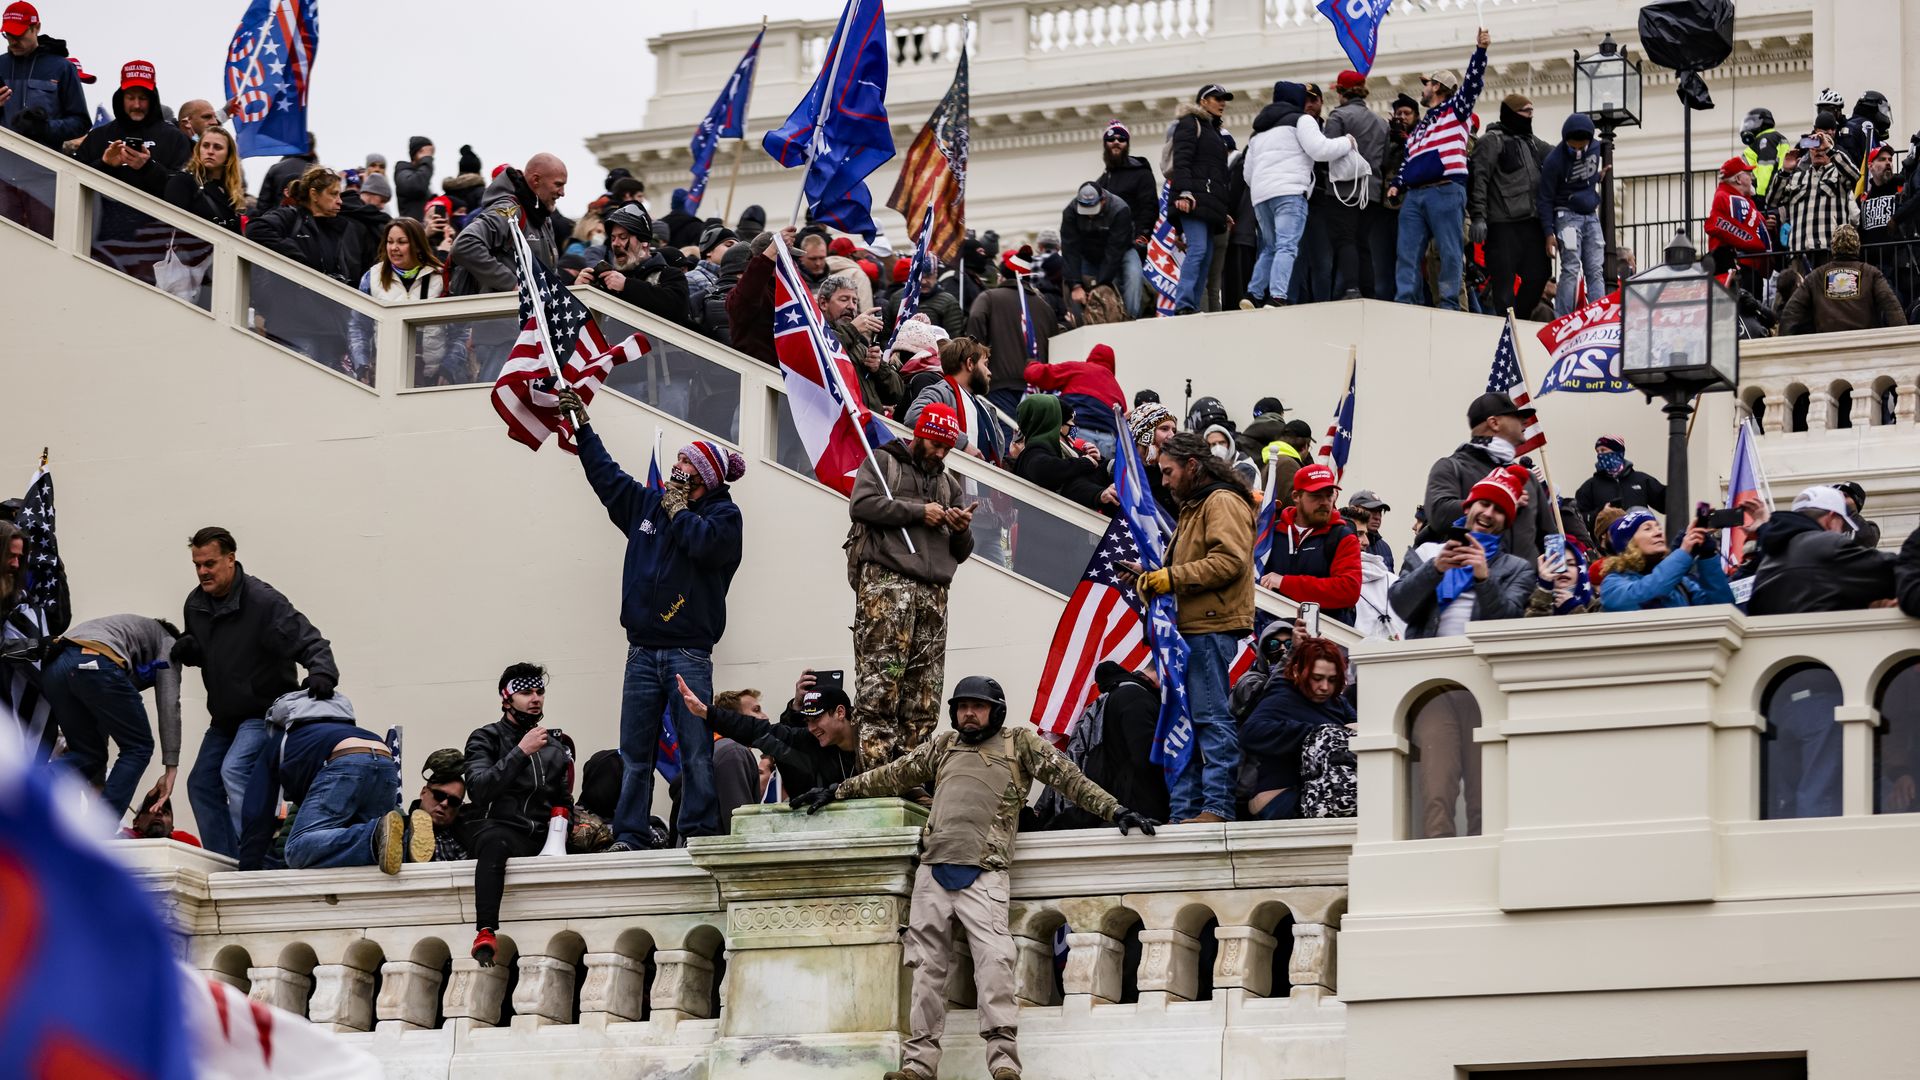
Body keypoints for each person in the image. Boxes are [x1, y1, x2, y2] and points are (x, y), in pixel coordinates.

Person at [792, 676, 1157, 1080]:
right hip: (932, 873)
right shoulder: (944, 745)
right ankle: (918, 1065)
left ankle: (1003, 1064)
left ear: (995, 710)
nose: (969, 713)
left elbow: (1070, 779)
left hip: (985, 874)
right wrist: (837, 791)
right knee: (926, 972)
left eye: (978, 706)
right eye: (963, 706)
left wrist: (1115, 810)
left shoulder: (1020, 743)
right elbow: (891, 775)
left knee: (995, 968)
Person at [560, 391, 745, 851]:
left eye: (686, 464)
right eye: (677, 461)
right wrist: (583, 429)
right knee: (635, 754)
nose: (677, 470)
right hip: (641, 649)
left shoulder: (725, 516)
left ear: (705, 477)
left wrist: (679, 509)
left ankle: (699, 833)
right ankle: (631, 835)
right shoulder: (646, 505)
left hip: (689, 651)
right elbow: (607, 477)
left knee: (696, 750)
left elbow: (703, 546)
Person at [174, 526, 338, 860]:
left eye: (210, 563)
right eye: (197, 565)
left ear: (231, 559)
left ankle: (257, 856)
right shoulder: (196, 604)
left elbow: (309, 640)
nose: (203, 572)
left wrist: (322, 672)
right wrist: (192, 649)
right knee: (201, 784)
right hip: (224, 717)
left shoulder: (264, 602)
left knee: (234, 769)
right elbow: (204, 643)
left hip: (263, 710)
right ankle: (227, 860)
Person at [1132, 432, 1253, 824]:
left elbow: (1230, 561)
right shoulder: (1197, 506)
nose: (1164, 481)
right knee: (1184, 724)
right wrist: (1151, 578)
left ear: (1193, 466)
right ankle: (1184, 811)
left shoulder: (1222, 502)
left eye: (1168, 472)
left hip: (1208, 630)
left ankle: (1216, 808)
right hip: (1190, 633)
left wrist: (1171, 578)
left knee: (1210, 719)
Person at [847, 404, 976, 769]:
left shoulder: (949, 484)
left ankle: (909, 774)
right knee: (880, 683)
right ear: (919, 434)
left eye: (947, 448)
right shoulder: (884, 464)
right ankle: (875, 772)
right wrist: (920, 511)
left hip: (934, 594)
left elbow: (962, 552)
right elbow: (862, 505)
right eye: (936, 444)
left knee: (924, 693)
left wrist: (961, 527)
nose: (941, 454)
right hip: (888, 586)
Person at [461, 663, 576, 965]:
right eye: (526, 692)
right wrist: (520, 752)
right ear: (506, 698)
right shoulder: (486, 737)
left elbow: (563, 800)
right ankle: (485, 931)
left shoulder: (555, 748)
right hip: (500, 829)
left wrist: (564, 830)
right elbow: (479, 789)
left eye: (540, 692)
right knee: (494, 841)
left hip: (540, 837)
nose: (535, 698)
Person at [40, 614, 182, 820]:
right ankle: (101, 829)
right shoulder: (169, 641)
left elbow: (104, 710)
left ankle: (21, 791)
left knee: (89, 754)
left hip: (55, 669)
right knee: (138, 747)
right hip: (95, 662)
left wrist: (98, 786)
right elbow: (169, 701)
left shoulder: (123, 629)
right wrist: (171, 766)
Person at [1386, 28, 1490, 310]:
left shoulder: (1456, 111)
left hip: (1446, 190)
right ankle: (1405, 303)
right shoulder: (1420, 127)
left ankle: (1449, 305)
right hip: (1416, 195)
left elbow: (1472, 84)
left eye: (1427, 83)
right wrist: (1398, 183)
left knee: (1449, 251)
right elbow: (1409, 158)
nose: (1423, 87)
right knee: (1407, 253)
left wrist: (1480, 52)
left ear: (1438, 88)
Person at [1241, 81, 1355, 309]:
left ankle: (1253, 295)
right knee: (1286, 246)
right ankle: (1277, 296)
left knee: (1270, 248)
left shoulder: (1259, 131)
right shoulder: (1302, 120)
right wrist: (1347, 142)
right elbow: (1320, 150)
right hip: (1290, 192)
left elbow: (1247, 174)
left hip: (1261, 196)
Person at [679, 670, 859, 813]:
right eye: (807, 721)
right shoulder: (808, 740)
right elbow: (756, 729)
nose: (811, 728)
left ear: (840, 713)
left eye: (817, 719)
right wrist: (706, 712)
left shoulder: (880, 736)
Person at [1391, 465, 1536, 638]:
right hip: (1426, 659)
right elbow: (1400, 606)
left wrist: (1484, 580)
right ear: (1468, 508)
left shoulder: (1518, 569)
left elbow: (1509, 625)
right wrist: (1434, 569)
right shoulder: (1429, 551)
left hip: (1481, 662)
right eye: (1484, 503)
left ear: (1505, 522)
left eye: (1498, 510)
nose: (1488, 513)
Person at [1424, 392, 1553, 562]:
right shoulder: (1451, 467)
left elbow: (1549, 538)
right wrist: (1499, 500)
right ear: (1494, 422)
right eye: (1516, 417)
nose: (1525, 422)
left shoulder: (1527, 478)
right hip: (1473, 582)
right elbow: (1439, 515)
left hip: (1525, 585)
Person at [1039, 661, 1168, 829]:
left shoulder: (1117, 694)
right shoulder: (1136, 697)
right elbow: (1148, 759)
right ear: (1165, 671)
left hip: (1114, 816)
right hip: (1135, 821)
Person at [1241, 635, 1356, 819]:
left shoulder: (1339, 703)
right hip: (1281, 801)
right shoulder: (1282, 695)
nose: (1324, 687)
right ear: (1297, 671)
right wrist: (1317, 734)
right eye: (1317, 678)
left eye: (1332, 680)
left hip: (1321, 798)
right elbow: (1250, 732)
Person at [1746, 485, 1896, 615]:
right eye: (1843, 526)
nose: (1842, 533)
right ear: (1831, 518)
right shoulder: (1826, 545)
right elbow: (1891, 570)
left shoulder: (1767, 559)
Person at [1471, 94, 1551, 318]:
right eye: (1526, 112)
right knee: (1503, 284)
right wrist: (1478, 216)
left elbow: (1557, 155)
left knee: (1541, 272)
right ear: (1512, 113)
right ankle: (1506, 326)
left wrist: (1583, 148)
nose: (1530, 117)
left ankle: (1519, 318)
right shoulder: (1491, 140)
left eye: (1531, 112)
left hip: (1531, 223)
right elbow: (1479, 179)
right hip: (1502, 225)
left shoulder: (1532, 142)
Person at [448, 152, 568, 295]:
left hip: (529, 313)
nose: (562, 193)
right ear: (536, 180)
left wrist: (575, 286)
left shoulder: (543, 219)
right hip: (500, 313)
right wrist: (512, 284)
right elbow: (464, 245)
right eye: (558, 184)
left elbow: (547, 279)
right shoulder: (509, 211)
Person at [1258, 463, 1362, 626]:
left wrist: (1285, 583)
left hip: (1325, 640)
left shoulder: (1342, 536)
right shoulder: (1272, 532)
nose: (1325, 502)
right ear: (1296, 496)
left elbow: (1348, 590)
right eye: (1316, 495)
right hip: (1273, 638)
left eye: (1329, 496)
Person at [352, 218, 451, 384]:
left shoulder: (440, 278)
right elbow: (358, 327)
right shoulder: (372, 277)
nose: (394, 248)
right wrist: (361, 365)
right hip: (386, 377)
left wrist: (450, 368)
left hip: (432, 378)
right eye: (389, 242)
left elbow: (459, 331)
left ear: (418, 245)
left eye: (402, 242)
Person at [75, 61, 192, 199]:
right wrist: (105, 164)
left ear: (152, 99)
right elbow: (73, 180)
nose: (136, 105)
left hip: (159, 218)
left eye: (142, 98)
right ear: (121, 98)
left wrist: (148, 167)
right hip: (101, 218)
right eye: (130, 98)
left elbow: (185, 189)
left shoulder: (174, 138)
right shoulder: (99, 135)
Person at [1167, 85, 1235, 315]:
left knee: (1205, 255)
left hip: (1208, 202)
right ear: (1203, 102)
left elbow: (1217, 176)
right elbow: (1182, 161)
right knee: (1197, 249)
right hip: (1192, 199)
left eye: (1224, 99)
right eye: (1217, 98)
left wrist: (1221, 208)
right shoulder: (1190, 123)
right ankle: (1184, 304)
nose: (1222, 103)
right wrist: (1184, 192)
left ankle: (1192, 305)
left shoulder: (1213, 131)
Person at [1321, 70, 1389, 300]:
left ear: (1342, 92)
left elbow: (1327, 152)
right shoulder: (1381, 123)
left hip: (1344, 192)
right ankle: (1368, 292)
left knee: (1345, 239)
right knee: (1363, 242)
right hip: (1372, 193)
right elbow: (1385, 159)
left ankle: (1351, 288)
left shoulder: (1338, 117)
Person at [967, 246, 1056, 415]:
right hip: (1037, 389)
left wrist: (976, 365)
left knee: (1006, 438)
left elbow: (975, 326)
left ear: (1003, 276)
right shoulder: (1046, 308)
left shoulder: (988, 298)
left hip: (999, 385)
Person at [577, 203, 693, 326]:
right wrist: (581, 289)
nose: (615, 244)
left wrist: (626, 285)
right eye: (613, 238)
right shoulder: (608, 281)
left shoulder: (670, 275)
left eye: (623, 237)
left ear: (644, 243)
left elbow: (676, 307)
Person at [1598, 509, 1736, 612]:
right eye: (1647, 528)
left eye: (1658, 527)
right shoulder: (1612, 584)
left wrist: (1708, 557)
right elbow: (1644, 594)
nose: (1659, 532)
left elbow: (1722, 608)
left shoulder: (1682, 584)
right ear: (1628, 543)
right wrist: (1683, 552)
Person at [1536, 113, 1606, 315]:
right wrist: (1549, 233)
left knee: (1595, 269)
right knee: (1571, 267)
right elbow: (1545, 198)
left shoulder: (1596, 147)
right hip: (1566, 216)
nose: (1577, 151)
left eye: (1581, 147)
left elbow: (1588, 175)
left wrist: (1599, 177)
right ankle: (1563, 316)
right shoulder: (1554, 161)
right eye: (1572, 147)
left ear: (1589, 141)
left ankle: (1598, 314)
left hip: (1590, 215)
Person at [1781, 224, 1907, 334]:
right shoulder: (1871, 273)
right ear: (1857, 246)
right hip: (1864, 347)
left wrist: (1784, 345)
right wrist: (1904, 343)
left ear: (1833, 247)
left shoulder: (1816, 276)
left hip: (1827, 348)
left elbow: (1791, 311)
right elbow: (1892, 308)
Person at [1, 2, 89, 150]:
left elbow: (81, 122)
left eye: (19, 34)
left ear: (36, 28)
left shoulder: (62, 68)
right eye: (8, 35)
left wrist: (45, 127)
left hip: (45, 165)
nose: (13, 41)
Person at [1771, 127, 1860, 270]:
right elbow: (1773, 200)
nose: (1818, 149)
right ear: (1809, 151)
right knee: (1801, 292)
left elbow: (1855, 175)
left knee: (1829, 292)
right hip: (1799, 251)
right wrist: (1785, 171)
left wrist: (1830, 149)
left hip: (1830, 250)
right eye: (1813, 146)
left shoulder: (1839, 174)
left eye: (1822, 145)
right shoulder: (1795, 177)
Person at [1021, 342, 1126, 460]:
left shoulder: (1078, 368)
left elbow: (1038, 374)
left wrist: (1032, 364)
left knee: (1071, 470)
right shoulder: (1117, 389)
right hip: (1109, 440)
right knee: (1098, 476)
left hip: (1076, 432)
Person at [1011, 394, 1110, 514]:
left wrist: (1098, 461)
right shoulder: (1033, 452)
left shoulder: (1060, 453)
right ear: (1050, 422)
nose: (1074, 427)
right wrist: (1084, 463)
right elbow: (1045, 470)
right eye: (1058, 418)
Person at [1098, 121, 1159, 314]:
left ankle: (1133, 319)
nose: (1116, 142)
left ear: (1127, 143)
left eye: (1121, 139)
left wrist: (1142, 236)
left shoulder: (1140, 174)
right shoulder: (1101, 182)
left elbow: (1149, 207)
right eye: (1111, 139)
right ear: (1105, 144)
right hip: (1106, 248)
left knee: (1133, 279)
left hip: (1130, 244)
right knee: (1109, 288)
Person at [819, 273, 901, 411]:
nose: (851, 307)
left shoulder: (861, 345)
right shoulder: (813, 331)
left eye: (855, 301)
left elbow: (896, 395)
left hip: (867, 426)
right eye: (844, 299)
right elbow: (821, 351)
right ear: (823, 303)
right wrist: (853, 329)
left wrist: (878, 368)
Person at [1060, 180, 1140, 316]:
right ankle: (1084, 323)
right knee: (1075, 289)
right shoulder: (1070, 212)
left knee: (1133, 276)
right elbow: (1070, 249)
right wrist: (1076, 285)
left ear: (1102, 201)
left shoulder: (1120, 209)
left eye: (1093, 209)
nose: (1090, 214)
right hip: (1088, 255)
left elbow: (1114, 251)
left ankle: (1132, 316)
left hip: (1122, 250)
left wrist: (1100, 285)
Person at [725, 225, 798, 367]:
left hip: (787, 379)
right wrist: (770, 252)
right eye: (786, 257)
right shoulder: (750, 291)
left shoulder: (787, 292)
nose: (793, 264)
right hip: (758, 378)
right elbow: (743, 302)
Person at [1704, 157, 1771, 288]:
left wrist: (1766, 226)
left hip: (1751, 269)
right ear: (1738, 179)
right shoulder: (1723, 196)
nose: (1752, 177)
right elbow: (1716, 224)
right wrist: (1754, 243)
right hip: (1736, 270)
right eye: (1748, 174)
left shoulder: (1747, 201)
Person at [1573, 435, 1667, 528]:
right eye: (1598, 452)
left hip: (1639, 540)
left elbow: (1666, 505)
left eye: (1603, 450)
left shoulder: (1641, 480)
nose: (1600, 455)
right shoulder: (1590, 486)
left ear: (1618, 452)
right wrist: (1600, 514)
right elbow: (1577, 520)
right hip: (1606, 542)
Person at [167, 125, 245, 234]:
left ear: (228, 155)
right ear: (198, 150)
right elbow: (172, 227)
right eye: (205, 146)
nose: (210, 151)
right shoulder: (183, 182)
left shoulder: (232, 193)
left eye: (218, 147)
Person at [410, 748, 468, 862]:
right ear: (423, 793)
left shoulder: (467, 835)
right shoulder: (400, 830)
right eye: (439, 795)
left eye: (454, 801)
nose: (444, 804)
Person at [1739, 107, 1788, 198]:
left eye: (1750, 123)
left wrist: (1762, 195)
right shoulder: (1771, 138)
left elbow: (1766, 167)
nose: (1747, 127)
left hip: (1766, 195)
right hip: (1774, 191)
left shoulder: (1766, 139)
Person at [1345, 489, 1395, 571]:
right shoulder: (1342, 542)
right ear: (1353, 509)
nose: (1377, 517)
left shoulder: (1385, 547)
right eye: (1371, 510)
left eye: (1380, 511)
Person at [122, 797, 200, 846]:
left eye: (165, 812)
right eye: (152, 809)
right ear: (136, 822)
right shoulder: (120, 843)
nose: (159, 813)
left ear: (171, 828)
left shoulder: (187, 844)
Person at [395, 136, 435, 221]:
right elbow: (417, 186)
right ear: (418, 152)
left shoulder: (422, 176)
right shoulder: (402, 172)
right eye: (427, 152)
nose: (430, 157)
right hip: (411, 229)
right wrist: (426, 159)